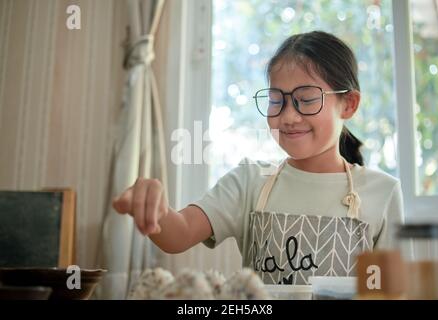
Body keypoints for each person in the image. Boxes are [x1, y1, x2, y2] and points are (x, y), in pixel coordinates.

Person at [113, 31, 404, 285]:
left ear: (348, 104)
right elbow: (179, 234)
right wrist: (154, 207)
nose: (288, 116)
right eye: (277, 100)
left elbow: (391, 292)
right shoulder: (249, 180)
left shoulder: (383, 192)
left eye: (306, 99)